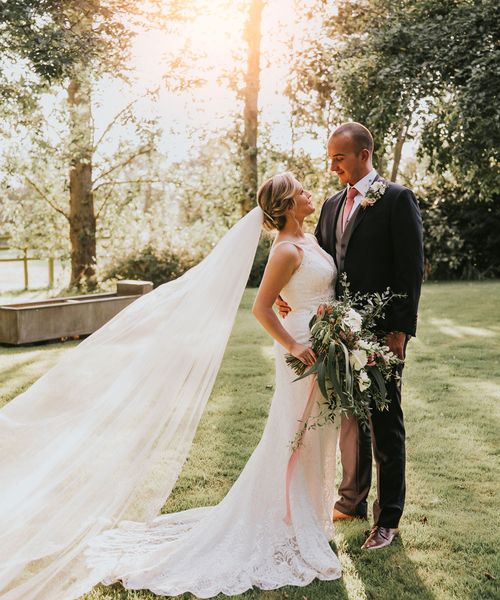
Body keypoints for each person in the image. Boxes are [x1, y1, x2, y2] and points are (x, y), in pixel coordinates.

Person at [0, 173, 342, 598]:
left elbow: (297, 292)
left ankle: (306, 514)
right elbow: (260, 305)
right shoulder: (286, 249)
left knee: (317, 432)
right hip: (301, 352)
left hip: (324, 344)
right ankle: (287, 517)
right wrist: (292, 341)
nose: (311, 194)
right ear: (289, 204)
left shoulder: (308, 241)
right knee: (295, 434)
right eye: (302, 191)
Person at [277, 122, 424, 550]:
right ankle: (351, 501)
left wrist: (399, 330)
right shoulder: (329, 205)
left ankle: (387, 519)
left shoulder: (397, 200)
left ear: (363, 154)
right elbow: (315, 260)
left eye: (338, 157)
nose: (332, 165)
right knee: (349, 417)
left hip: (382, 332)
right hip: (336, 331)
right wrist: (287, 297)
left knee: (384, 419)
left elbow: (410, 269)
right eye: (330, 157)